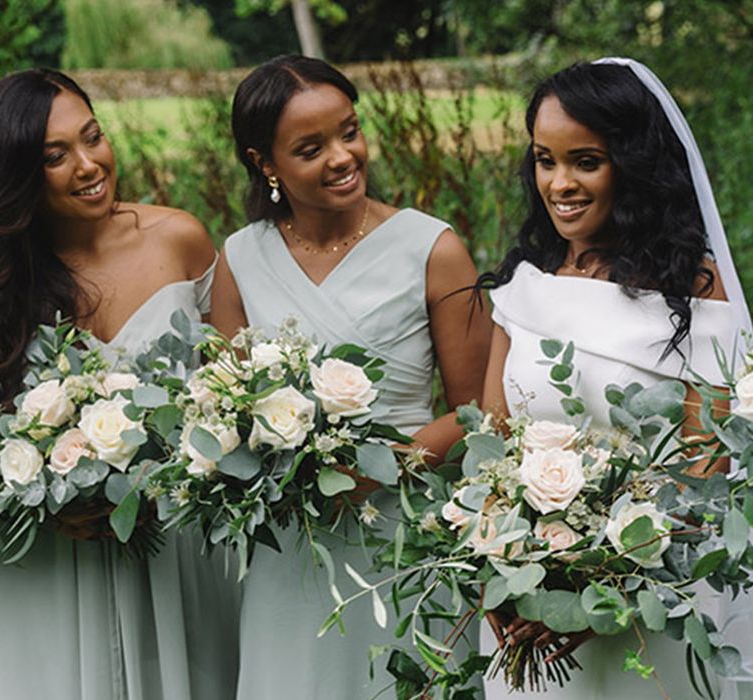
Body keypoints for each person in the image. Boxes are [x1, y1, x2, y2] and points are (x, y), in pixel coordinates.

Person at [210, 54, 492, 698]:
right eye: (311, 148)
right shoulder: (240, 258)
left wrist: (393, 464)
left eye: (350, 131)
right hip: (289, 543)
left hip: (403, 532)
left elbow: (479, 410)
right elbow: (225, 410)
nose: (343, 156)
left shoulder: (433, 248)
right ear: (265, 163)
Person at [478, 58, 750, 699]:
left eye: (585, 161)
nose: (559, 182)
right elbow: (490, 445)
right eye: (545, 160)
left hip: (644, 611)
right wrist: (492, 562)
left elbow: (706, 473)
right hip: (526, 614)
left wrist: (596, 596)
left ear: (632, 164)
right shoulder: (526, 283)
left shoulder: (692, 287)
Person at [0, 69, 240, 700]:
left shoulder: (178, 239)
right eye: (55, 156)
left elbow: (239, 390)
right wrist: (40, 505)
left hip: (176, 549)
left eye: (92, 137)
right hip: (46, 564)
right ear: (18, 173)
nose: (88, 164)